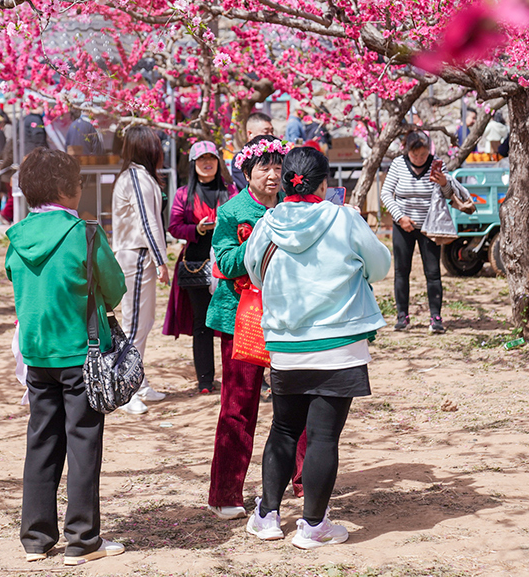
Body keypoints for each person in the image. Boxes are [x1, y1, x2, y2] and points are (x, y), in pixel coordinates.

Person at [244, 146, 391, 549]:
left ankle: (268, 516)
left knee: (284, 429)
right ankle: (313, 527)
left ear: (286, 180)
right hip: (340, 345)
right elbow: (380, 266)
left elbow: (253, 269)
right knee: (324, 437)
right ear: (325, 183)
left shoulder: (269, 222)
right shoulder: (344, 218)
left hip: (287, 346)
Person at [5, 147, 127, 566]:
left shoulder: (16, 237)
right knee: (83, 444)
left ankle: (36, 539)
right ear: (64, 188)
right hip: (81, 356)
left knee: (41, 441)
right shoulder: (85, 234)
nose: (82, 189)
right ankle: (83, 540)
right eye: (79, 183)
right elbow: (115, 289)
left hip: (37, 357)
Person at [206, 134, 291, 520]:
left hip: (290, 316)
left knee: (297, 400)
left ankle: (304, 481)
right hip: (239, 317)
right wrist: (260, 240)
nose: (273, 175)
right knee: (239, 405)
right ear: (246, 173)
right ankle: (226, 493)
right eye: (264, 167)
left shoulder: (294, 207)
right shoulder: (231, 211)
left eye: (279, 167)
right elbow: (225, 262)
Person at [164, 141, 238, 393]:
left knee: (231, 321)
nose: (207, 163)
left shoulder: (231, 191)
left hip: (227, 265)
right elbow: (173, 227)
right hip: (195, 265)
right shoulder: (183, 194)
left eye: (212, 158)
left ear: (219, 162)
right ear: (193, 164)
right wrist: (197, 229)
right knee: (202, 323)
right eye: (201, 159)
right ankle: (205, 380)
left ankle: (234, 378)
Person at [111, 126, 169, 414]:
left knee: (144, 323)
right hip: (136, 255)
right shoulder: (135, 178)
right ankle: (124, 388)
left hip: (141, 255)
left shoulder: (141, 176)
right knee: (134, 324)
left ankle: (139, 380)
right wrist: (161, 260)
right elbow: (148, 223)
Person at [380, 131, 452, 334]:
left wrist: (444, 182)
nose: (420, 159)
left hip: (430, 226)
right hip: (403, 225)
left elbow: (447, 194)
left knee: (433, 272)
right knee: (402, 271)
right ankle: (402, 316)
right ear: (407, 151)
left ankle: (436, 317)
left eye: (423, 155)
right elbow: (386, 193)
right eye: (415, 155)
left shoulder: (437, 163)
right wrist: (400, 217)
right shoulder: (398, 164)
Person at [232, 112, 277, 189]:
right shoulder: (241, 159)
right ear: (250, 134)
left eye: (272, 131)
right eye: (266, 132)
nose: (271, 135)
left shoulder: (277, 155)